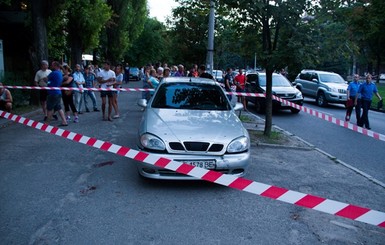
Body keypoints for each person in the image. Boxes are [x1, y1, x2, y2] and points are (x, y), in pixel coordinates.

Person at [45, 61, 68, 126]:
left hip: (52, 93)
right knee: (58, 107)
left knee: (49, 108)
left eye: (52, 65)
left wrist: (46, 80)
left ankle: (47, 123)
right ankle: (64, 121)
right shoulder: (60, 73)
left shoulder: (53, 73)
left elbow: (46, 79)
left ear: (55, 66)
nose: (51, 66)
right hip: (58, 92)